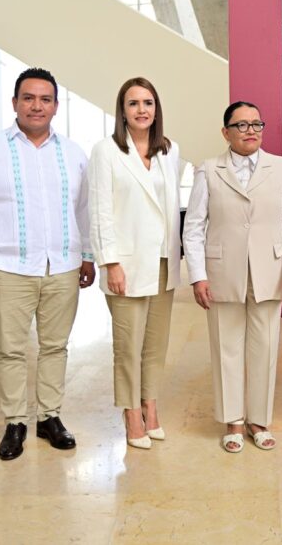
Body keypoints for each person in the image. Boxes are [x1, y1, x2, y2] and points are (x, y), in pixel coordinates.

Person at [0, 67, 95, 461]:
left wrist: (87, 256)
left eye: (45, 99)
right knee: (11, 350)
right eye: (29, 98)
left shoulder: (74, 154)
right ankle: (15, 422)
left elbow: (84, 210)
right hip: (8, 268)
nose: (37, 106)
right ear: (15, 102)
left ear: (56, 106)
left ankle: (49, 417)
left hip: (63, 267)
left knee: (55, 346)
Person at [183, 101, 282, 453]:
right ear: (226, 132)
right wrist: (197, 275)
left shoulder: (280, 167)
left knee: (265, 346)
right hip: (223, 271)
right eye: (241, 125)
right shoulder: (208, 170)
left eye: (256, 124)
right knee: (227, 346)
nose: (251, 131)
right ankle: (233, 420)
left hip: (270, 269)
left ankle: (259, 420)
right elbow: (193, 228)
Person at [89, 77, 181, 450]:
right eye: (133, 103)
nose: (142, 109)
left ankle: (150, 406)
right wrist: (110, 262)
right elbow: (99, 210)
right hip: (125, 263)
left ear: (156, 109)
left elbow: (170, 207)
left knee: (156, 344)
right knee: (128, 345)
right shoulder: (106, 151)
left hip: (163, 260)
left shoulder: (169, 150)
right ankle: (130, 413)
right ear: (122, 111)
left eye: (148, 102)